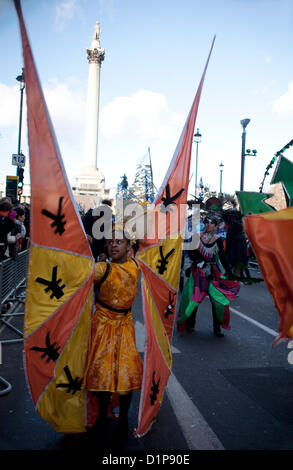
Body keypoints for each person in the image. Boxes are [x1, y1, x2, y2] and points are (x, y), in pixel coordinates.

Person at [82, 225, 143, 445]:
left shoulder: (137, 266)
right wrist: (83, 246)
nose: (113, 245)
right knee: (103, 374)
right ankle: (101, 418)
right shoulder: (101, 268)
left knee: (126, 375)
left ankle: (124, 419)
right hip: (102, 326)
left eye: (119, 242)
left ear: (129, 247)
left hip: (125, 326)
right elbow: (77, 272)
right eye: (110, 242)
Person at [177, 216, 240, 337]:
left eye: (211, 223)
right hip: (198, 272)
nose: (208, 225)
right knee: (194, 298)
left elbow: (222, 257)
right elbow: (191, 253)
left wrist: (229, 272)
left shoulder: (218, 240)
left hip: (213, 273)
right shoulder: (197, 236)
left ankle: (217, 328)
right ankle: (190, 324)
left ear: (215, 225)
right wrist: (198, 262)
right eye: (206, 222)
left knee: (217, 300)